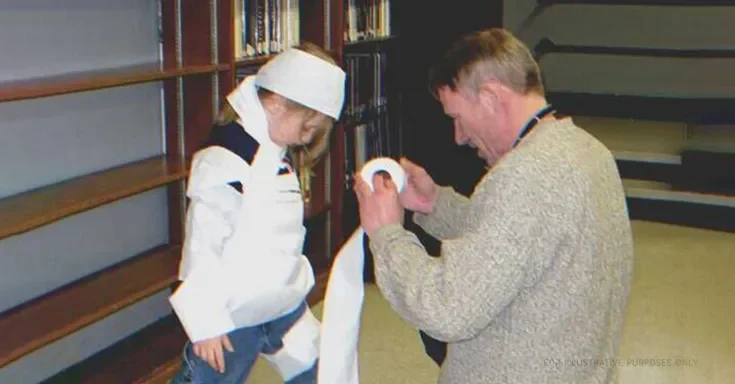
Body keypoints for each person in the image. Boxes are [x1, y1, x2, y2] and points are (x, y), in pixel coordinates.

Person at [354, 28, 634, 383]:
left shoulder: (525, 175)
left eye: (457, 117)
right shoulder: (588, 151)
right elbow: (517, 244)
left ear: (489, 97)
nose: (458, 137)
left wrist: (386, 234)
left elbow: (447, 307)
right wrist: (434, 204)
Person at [168, 42, 346, 384]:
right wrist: (205, 323)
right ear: (278, 103)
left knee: (322, 371)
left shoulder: (275, 150)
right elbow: (201, 245)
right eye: (307, 127)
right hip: (233, 315)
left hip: (280, 302)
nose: (304, 139)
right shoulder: (226, 160)